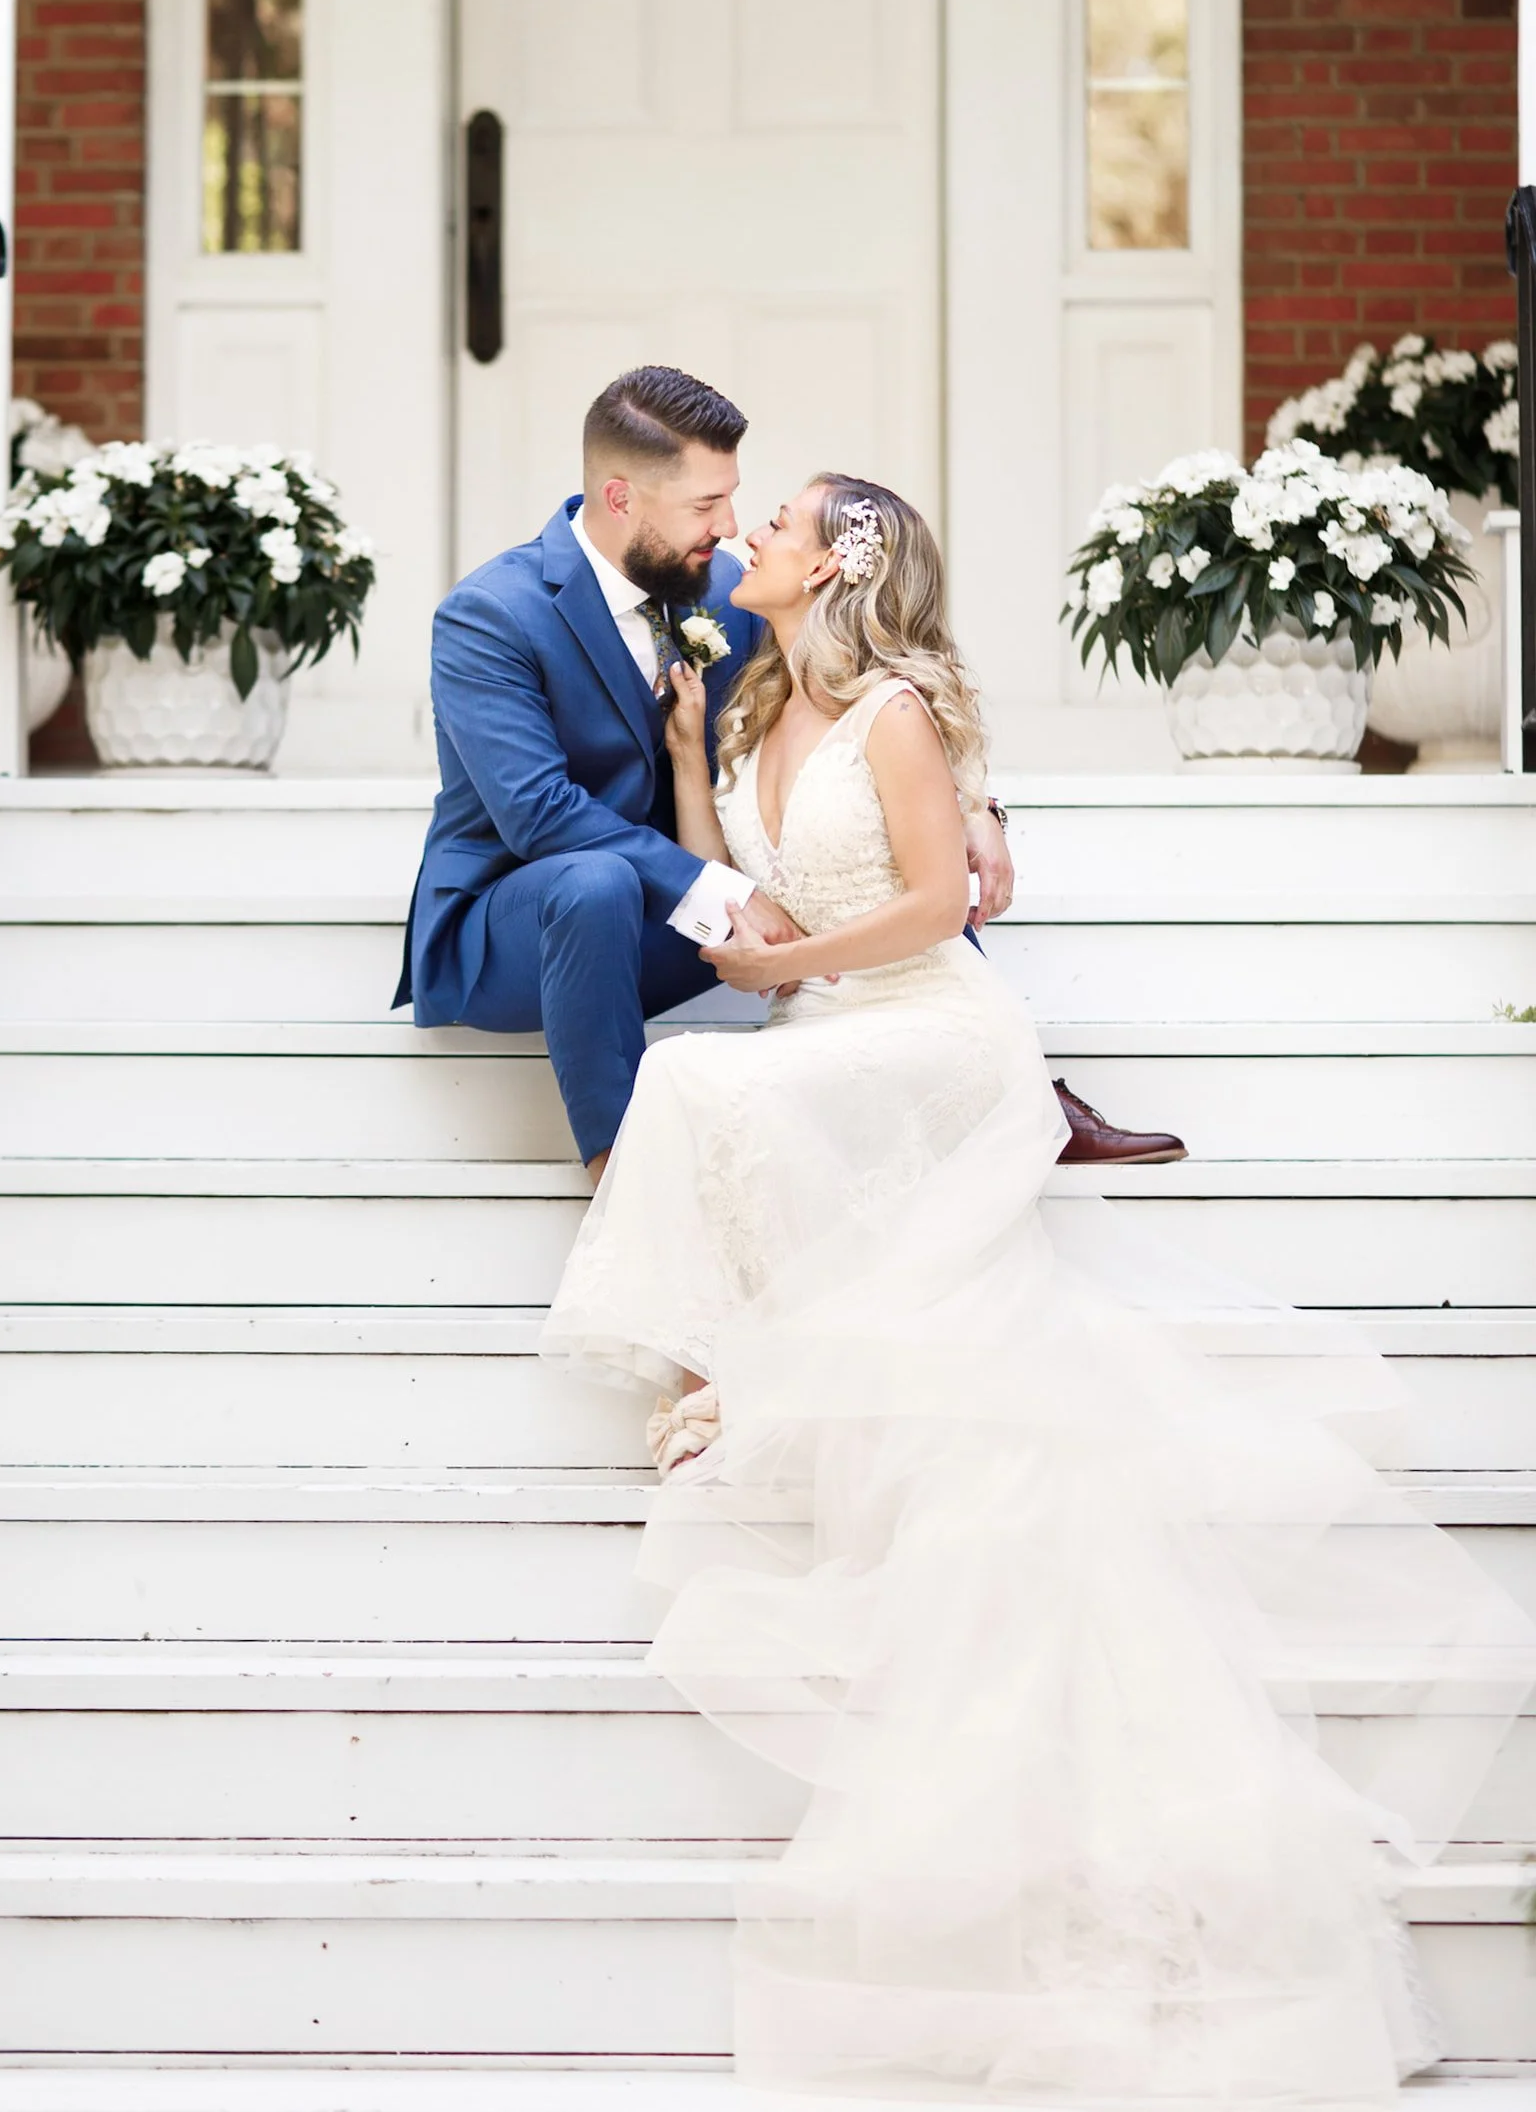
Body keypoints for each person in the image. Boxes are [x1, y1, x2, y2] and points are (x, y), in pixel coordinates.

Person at [539, 474, 1536, 2104]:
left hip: (930, 1031)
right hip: (827, 1026)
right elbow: (730, 868)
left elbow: (934, 909)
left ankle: (721, 1373)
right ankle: (730, 1368)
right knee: (713, 1088)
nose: (752, 544)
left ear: (842, 565)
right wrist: (674, 756)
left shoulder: (902, 716)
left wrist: (778, 978)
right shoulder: (756, 700)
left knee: (706, 1089)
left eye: (778, 526)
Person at [395, 363, 1182, 1177]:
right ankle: (619, 1168)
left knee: (870, 846)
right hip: (520, 926)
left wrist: (972, 803)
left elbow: (865, 703)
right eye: (705, 505)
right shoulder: (491, 613)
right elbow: (538, 814)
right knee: (593, 882)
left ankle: (1018, 1090)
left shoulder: (726, 589)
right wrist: (730, 892)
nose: (731, 526)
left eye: (733, 497)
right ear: (621, 497)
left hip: (672, 910)